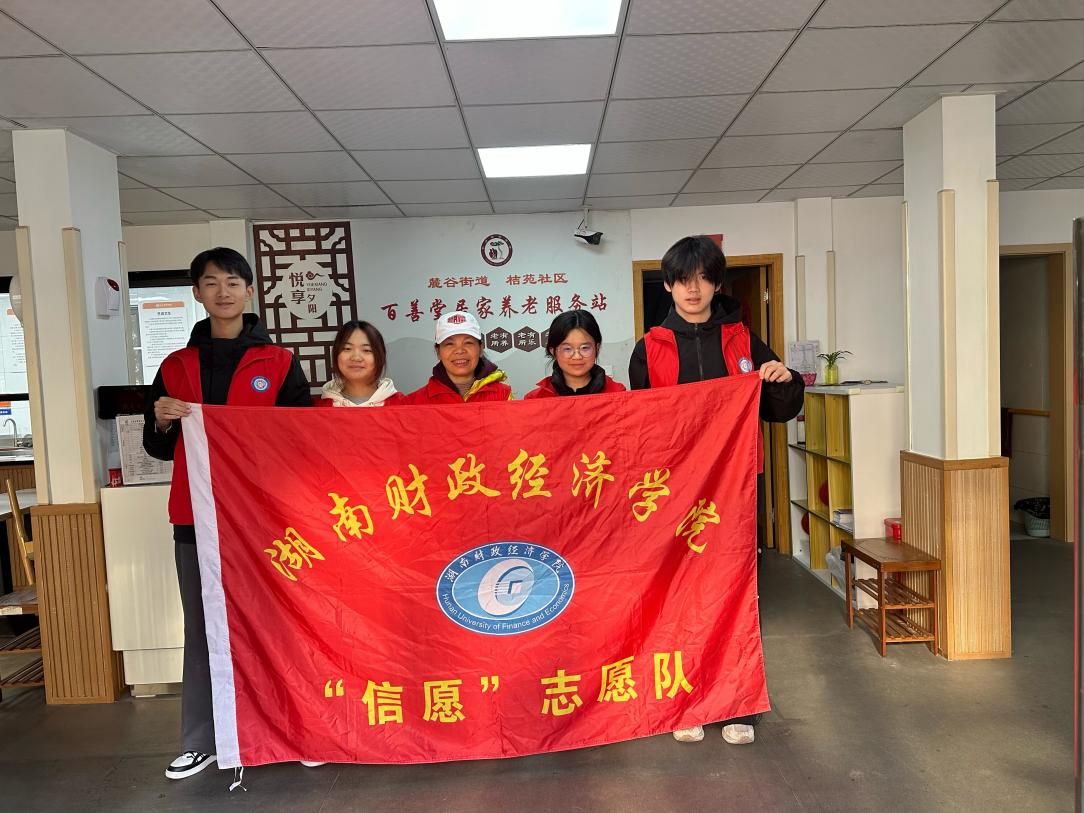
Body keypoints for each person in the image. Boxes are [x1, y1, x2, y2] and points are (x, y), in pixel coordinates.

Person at [143, 247, 313, 780]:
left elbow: (302, 441)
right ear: (197, 293)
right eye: (212, 283)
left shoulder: (279, 363)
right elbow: (157, 447)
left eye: (233, 282)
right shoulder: (176, 366)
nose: (223, 292)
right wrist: (161, 420)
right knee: (202, 627)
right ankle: (202, 739)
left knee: (276, 623)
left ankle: (294, 728)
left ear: (249, 291)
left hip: (263, 518)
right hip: (195, 518)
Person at [628, 235, 804, 747]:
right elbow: (640, 429)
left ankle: (737, 702)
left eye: (704, 279)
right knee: (680, 595)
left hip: (734, 491)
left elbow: (778, 410)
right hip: (675, 494)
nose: (694, 290)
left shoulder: (743, 341)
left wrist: (782, 378)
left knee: (735, 594)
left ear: (717, 284)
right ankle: (685, 701)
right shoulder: (650, 348)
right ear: (668, 285)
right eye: (683, 280)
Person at [400, 311, 512, 404]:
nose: (459, 350)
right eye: (450, 344)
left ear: (481, 348)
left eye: (468, 343)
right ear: (438, 351)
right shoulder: (413, 403)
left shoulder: (503, 395)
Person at [524, 310, 625, 398]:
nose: (577, 356)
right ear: (553, 351)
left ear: (597, 348)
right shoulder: (535, 399)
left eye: (584, 348)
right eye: (567, 349)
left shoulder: (618, 395)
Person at [320, 320, 400, 407]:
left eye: (366, 350)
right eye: (347, 348)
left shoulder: (402, 406)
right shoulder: (318, 408)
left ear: (380, 356)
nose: (356, 358)